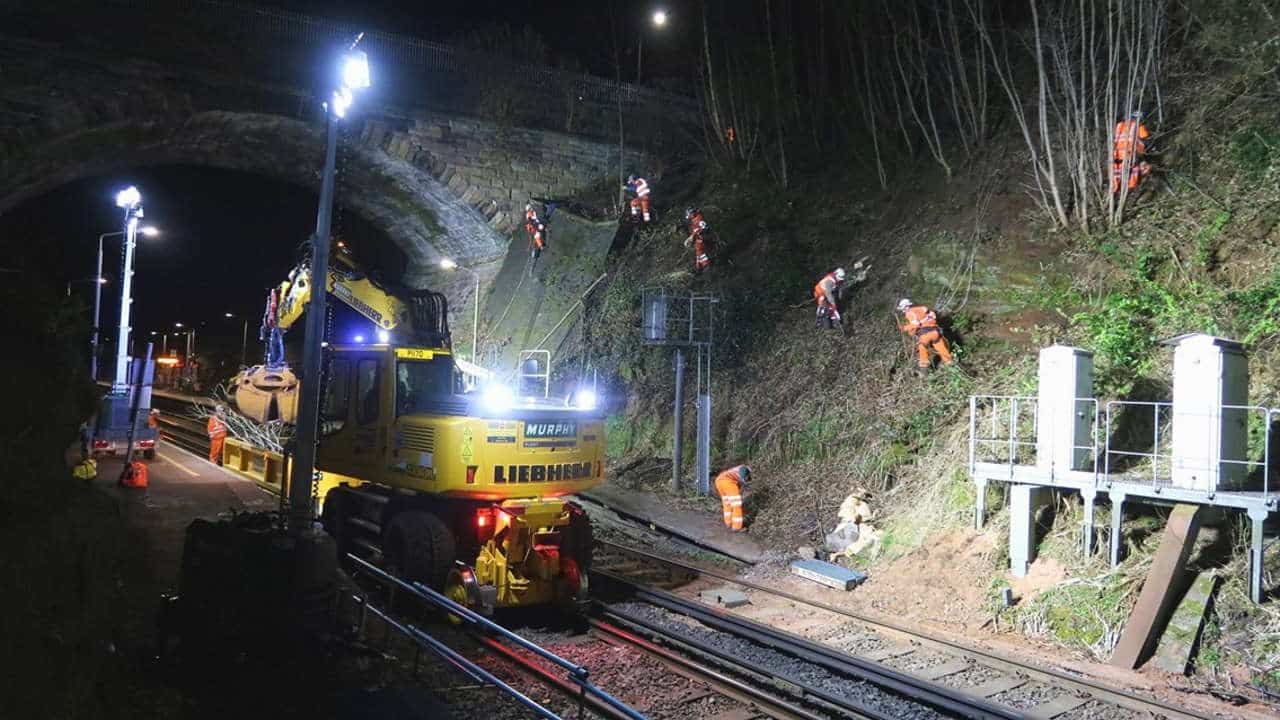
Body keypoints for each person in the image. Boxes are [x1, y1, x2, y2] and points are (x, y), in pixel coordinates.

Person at [897, 298, 954, 370]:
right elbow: (933, 316)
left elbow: (915, 324)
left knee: (922, 347)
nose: (903, 311)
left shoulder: (910, 313)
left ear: (906, 307)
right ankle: (950, 363)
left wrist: (903, 328)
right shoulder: (923, 308)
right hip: (936, 332)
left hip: (925, 334)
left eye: (903, 309)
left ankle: (924, 367)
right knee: (940, 346)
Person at [1112, 111, 1152, 194]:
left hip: (1116, 155)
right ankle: (1130, 190)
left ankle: (1114, 192)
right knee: (1133, 173)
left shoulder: (1119, 126)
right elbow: (1147, 139)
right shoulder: (1139, 126)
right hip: (1131, 154)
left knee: (1117, 174)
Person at [714, 464, 750, 532]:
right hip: (728, 482)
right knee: (737, 504)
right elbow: (743, 477)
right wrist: (745, 482)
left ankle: (729, 523)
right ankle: (737, 527)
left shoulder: (737, 470)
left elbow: (740, 482)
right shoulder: (745, 469)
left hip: (719, 481)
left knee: (727, 503)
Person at [682, 207, 711, 273]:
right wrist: (692, 237)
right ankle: (699, 267)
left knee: (700, 252)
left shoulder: (699, 219)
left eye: (689, 215)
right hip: (698, 238)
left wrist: (698, 233)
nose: (689, 217)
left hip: (701, 238)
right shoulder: (694, 220)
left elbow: (705, 228)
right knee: (698, 252)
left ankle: (706, 265)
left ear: (692, 214)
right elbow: (695, 230)